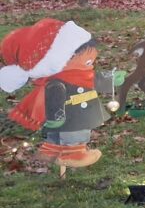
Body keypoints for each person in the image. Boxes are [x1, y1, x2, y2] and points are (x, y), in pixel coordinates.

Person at [0, 19, 124, 169]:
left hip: (73, 114)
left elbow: (94, 79)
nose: (91, 61)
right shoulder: (57, 83)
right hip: (73, 115)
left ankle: (49, 151)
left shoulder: (81, 74)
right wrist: (56, 116)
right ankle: (74, 154)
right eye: (87, 59)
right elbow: (54, 99)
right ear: (62, 60)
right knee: (74, 134)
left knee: (56, 135)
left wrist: (111, 78)